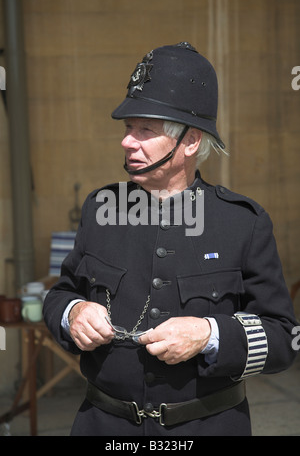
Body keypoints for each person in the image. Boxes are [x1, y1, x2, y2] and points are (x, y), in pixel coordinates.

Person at [43, 42, 298, 436]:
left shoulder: (243, 222)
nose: (128, 141)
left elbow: (284, 338)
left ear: (191, 142)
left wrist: (209, 334)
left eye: (146, 129)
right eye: (128, 128)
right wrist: (73, 312)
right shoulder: (99, 209)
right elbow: (59, 294)